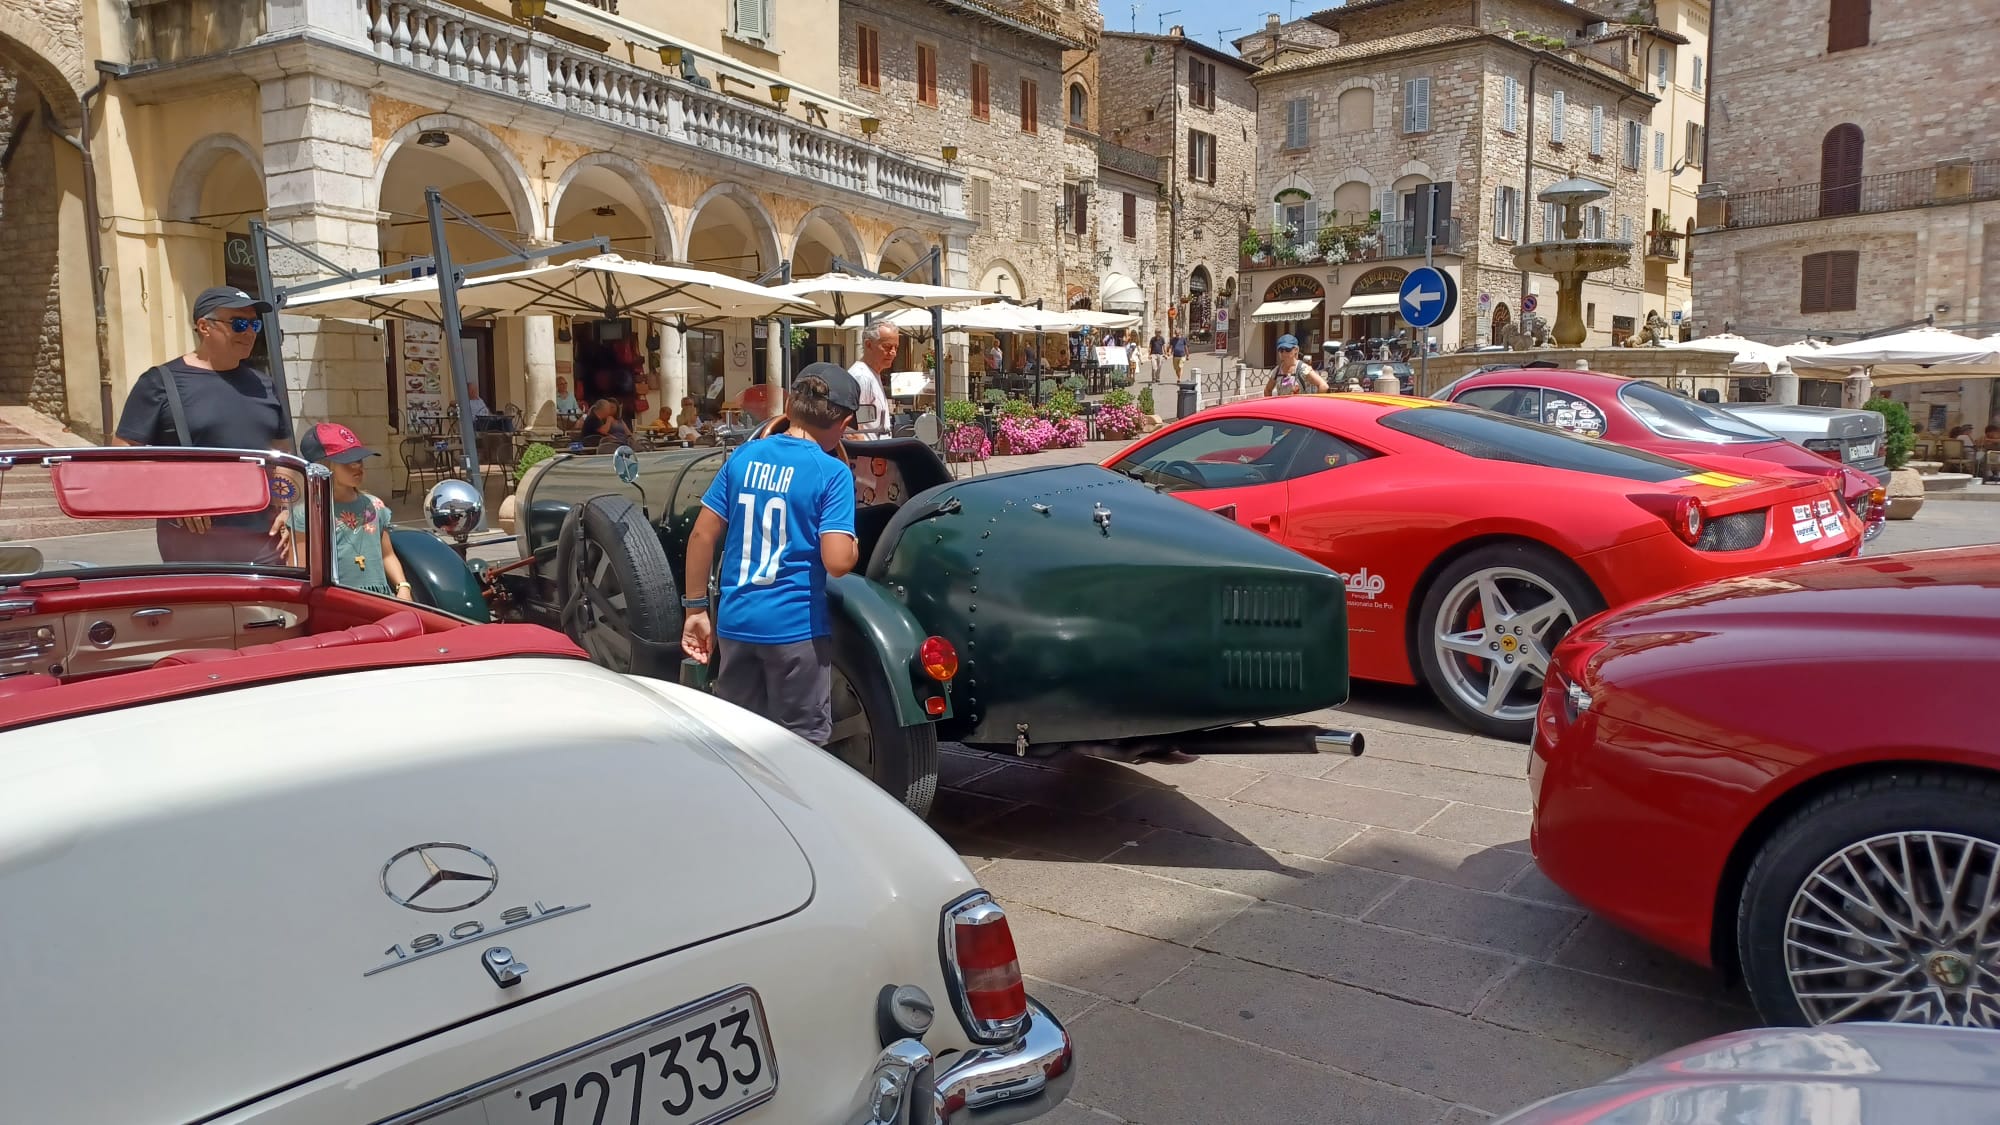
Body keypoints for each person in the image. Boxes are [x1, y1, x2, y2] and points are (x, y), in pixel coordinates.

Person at [680, 363, 862, 745]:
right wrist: (854, 544)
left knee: (738, 736)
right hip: (795, 631)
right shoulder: (832, 473)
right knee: (800, 743)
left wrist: (695, 609)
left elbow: (701, 535)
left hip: (735, 624)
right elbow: (837, 561)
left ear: (790, 406)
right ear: (844, 423)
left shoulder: (744, 457)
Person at [114, 284, 294, 565]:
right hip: (194, 541)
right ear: (204, 326)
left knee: (271, 611)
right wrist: (176, 496)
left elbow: (282, 454)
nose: (249, 332)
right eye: (239, 323)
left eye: (254, 324)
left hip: (264, 541)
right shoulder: (160, 382)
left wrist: (287, 506)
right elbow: (123, 455)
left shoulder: (264, 385)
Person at [288, 423, 413, 601]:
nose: (358, 466)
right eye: (348, 461)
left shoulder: (375, 505)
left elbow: (387, 554)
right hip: (338, 601)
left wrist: (403, 587)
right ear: (324, 466)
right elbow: (299, 567)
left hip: (380, 598)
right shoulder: (308, 513)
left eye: (360, 460)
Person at [847, 322, 897, 439]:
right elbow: (852, 427)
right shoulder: (861, 377)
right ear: (868, 345)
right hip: (870, 455)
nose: (893, 352)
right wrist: (871, 456)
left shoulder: (872, 374)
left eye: (896, 347)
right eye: (887, 347)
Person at [1264, 334, 1329, 396]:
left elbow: (1323, 386)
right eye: (1281, 350)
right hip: (1282, 407)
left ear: (1296, 350)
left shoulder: (1303, 369)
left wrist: (1315, 403)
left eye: (1287, 349)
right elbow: (1267, 390)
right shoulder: (1277, 371)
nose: (1284, 353)